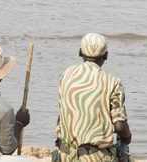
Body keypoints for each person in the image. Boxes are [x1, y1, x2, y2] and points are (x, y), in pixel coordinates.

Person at [54, 33, 132, 162]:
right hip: (96, 157)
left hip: (65, 154)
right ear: (106, 55)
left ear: (80, 52)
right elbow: (119, 126)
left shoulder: (67, 74)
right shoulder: (112, 82)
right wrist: (127, 136)